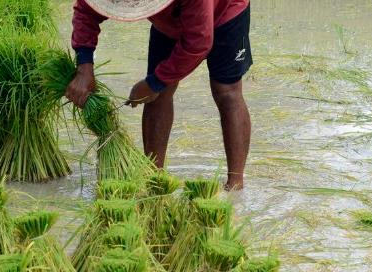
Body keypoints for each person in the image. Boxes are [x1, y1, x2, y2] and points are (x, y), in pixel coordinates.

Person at [66, 0, 252, 190]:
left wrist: (154, 83)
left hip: (225, 11)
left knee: (226, 92)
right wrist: (84, 67)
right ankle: (153, 178)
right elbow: (86, 9)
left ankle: (235, 184)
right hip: (168, 22)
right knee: (158, 96)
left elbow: (199, 42)